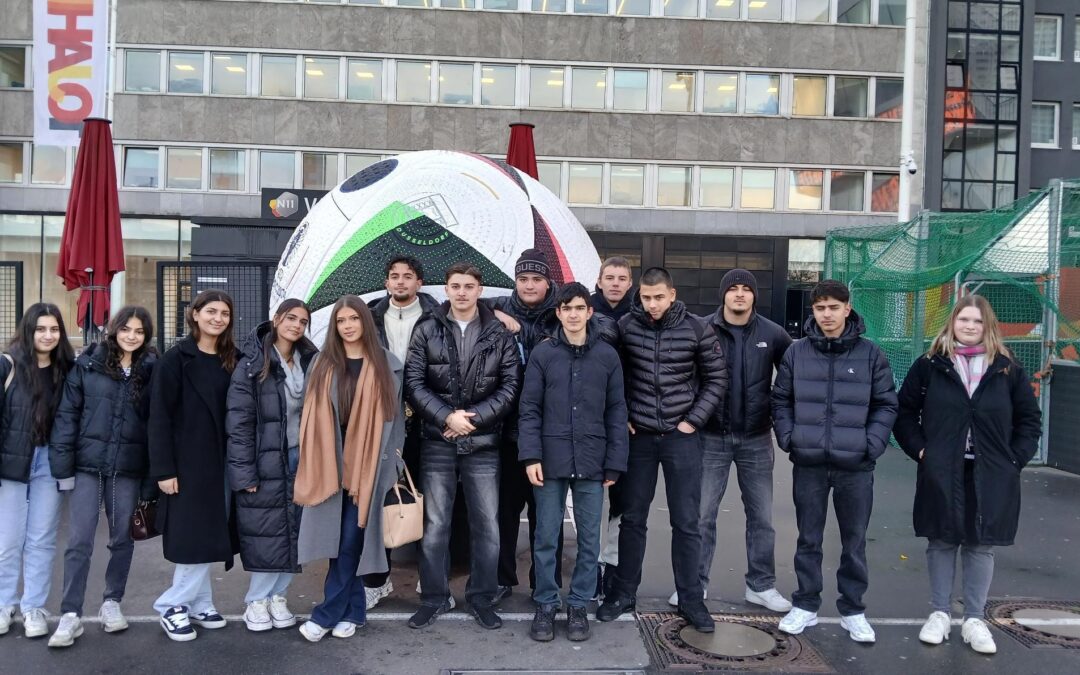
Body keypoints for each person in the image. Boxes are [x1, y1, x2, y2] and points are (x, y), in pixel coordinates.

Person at [894, 294, 1041, 655]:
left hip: (990, 472)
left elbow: (1029, 420)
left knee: (979, 543)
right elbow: (904, 412)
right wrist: (922, 451)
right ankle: (940, 614)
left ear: (987, 326)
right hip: (942, 468)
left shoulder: (1007, 368)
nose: (970, 326)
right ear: (952, 322)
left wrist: (1013, 460)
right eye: (964, 319)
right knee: (941, 539)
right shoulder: (930, 365)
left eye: (977, 321)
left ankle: (974, 619)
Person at [596, 267, 726, 634]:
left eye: (658, 297)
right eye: (646, 297)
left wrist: (692, 421)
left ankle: (691, 599)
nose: (651, 304)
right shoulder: (626, 326)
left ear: (672, 295)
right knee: (632, 518)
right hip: (639, 437)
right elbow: (612, 375)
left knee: (686, 521)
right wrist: (623, 415)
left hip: (681, 437)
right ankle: (623, 593)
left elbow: (717, 379)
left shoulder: (697, 328)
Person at [771, 279, 897, 643]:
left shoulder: (871, 354)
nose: (827, 314)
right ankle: (805, 605)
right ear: (813, 311)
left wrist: (871, 445)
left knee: (854, 541)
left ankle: (853, 610)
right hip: (809, 462)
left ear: (847, 308)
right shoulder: (796, 353)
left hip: (855, 466)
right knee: (808, 538)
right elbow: (780, 400)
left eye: (833, 307)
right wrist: (789, 438)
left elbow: (886, 404)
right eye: (820, 308)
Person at [668, 270, 793, 612]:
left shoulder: (773, 334)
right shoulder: (702, 329)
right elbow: (683, 375)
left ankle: (761, 586)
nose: (739, 294)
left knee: (762, 518)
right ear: (723, 294)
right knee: (701, 516)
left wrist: (779, 416)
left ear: (754, 295)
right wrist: (688, 418)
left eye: (746, 289)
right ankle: (694, 585)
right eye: (733, 289)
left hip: (756, 439)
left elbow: (794, 377)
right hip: (710, 438)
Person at [405, 262, 520, 630]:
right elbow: (414, 383)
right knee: (435, 525)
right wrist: (446, 418)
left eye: (469, 286)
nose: (462, 292)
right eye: (456, 286)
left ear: (479, 290)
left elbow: (510, 386)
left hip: (483, 443)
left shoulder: (498, 333)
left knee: (487, 525)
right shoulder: (427, 328)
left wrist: (472, 419)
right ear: (447, 289)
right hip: (437, 441)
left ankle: (481, 597)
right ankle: (434, 598)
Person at [519, 282, 628, 643]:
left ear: (589, 311)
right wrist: (531, 455)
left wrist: (614, 462)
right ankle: (546, 603)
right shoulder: (543, 354)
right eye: (567, 308)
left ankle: (579, 604)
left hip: (593, 459)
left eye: (580, 308)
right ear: (559, 313)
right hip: (550, 459)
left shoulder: (607, 356)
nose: (574, 314)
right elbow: (529, 408)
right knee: (546, 536)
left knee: (589, 539)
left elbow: (616, 411)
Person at [294, 296, 405, 643]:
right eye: (341, 321)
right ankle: (354, 611)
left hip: (368, 468)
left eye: (353, 319)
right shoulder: (322, 363)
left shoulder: (387, 365)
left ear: (365, 323)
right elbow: (307, 413)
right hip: (329, 464)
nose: (347, 326)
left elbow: (397, 422)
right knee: (338, 542)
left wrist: (393, 465)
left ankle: (325, 614)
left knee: (349, 541)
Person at [46, 307, 157, 648]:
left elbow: (156, 426)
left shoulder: (152, 370)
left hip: (128, 468)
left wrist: (150, 479)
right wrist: (63, 468)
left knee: (122, 538)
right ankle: (70, 613)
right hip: (87, 467)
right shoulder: (89, 364)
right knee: (79, 541)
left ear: (146, 336)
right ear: (114, 330)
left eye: (139, 331)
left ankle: (112, 601)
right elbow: (67, 416)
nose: (132, 336)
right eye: (126, 329)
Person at [149, 290, 238, 642]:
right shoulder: (175, 360)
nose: (218, 318)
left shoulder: (233, 359)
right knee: (193, 536)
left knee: (209, 534)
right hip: (187, 465)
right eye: (211, 311)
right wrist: (164, 470)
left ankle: (200, 602)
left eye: (225, 313)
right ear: (195, 314)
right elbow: (159, 418)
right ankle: (172, 605)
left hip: (222, 464)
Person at [226, 299, 318, 633]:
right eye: (291, 318)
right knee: (267, 532)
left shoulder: (310, 359)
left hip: (301, 459)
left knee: (294, 531)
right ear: (276, 319)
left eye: (303, 321)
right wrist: (244, 472)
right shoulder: (253, 363)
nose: (296, 325)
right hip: (265, 459)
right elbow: (238, 422)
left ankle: (279, 596)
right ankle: (256, 600)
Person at [362, 255, 438, 609]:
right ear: (387, 282)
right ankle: (377, 580)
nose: (401, 281)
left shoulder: (438, 315)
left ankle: (429, 575)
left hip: (427, 418)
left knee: (430, 499)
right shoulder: (369, 317)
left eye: (408, 276)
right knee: (380, 498)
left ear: (419, 282)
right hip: (383, 418)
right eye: (394, 276)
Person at [487, 248, 563, 602]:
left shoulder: (561, 312)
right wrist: (496, 313)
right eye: (523, 279)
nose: (529, 285)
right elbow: (452, 306)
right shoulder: (499, 306)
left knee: (546, 515)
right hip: (507, 431)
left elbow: (598, 327)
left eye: (536, 279)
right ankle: (502, 578)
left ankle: (544, 583)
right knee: (504, 511)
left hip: (549, 433)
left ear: (548, 282)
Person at [0, 303, 75, 639]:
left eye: (54, 329)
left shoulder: (68, 368)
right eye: (41, 329)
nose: (48, 335)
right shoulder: (7, 365)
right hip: (11, 462)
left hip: (50, 462)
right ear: (28, 331)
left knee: (42, 540)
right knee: (8, 541)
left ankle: (33, 607)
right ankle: (4, 603)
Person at [591, 256, 634, 598]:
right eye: (610, 277)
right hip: (589, 419)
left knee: (622, 501)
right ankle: (589, 568)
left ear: (630, 283)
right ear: (599, 280)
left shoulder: (641, 315)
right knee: (588, 500)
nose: (615, 283)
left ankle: (612, 564)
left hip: (628, 421)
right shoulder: (584, 310)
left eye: (621, 278)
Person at [590, 256, 634, 321]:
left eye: (622, 279)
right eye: (609, 278)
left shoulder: (639, 311)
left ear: (629, 284)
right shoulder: (585, 307)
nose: (615, 283)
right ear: (599, 283)